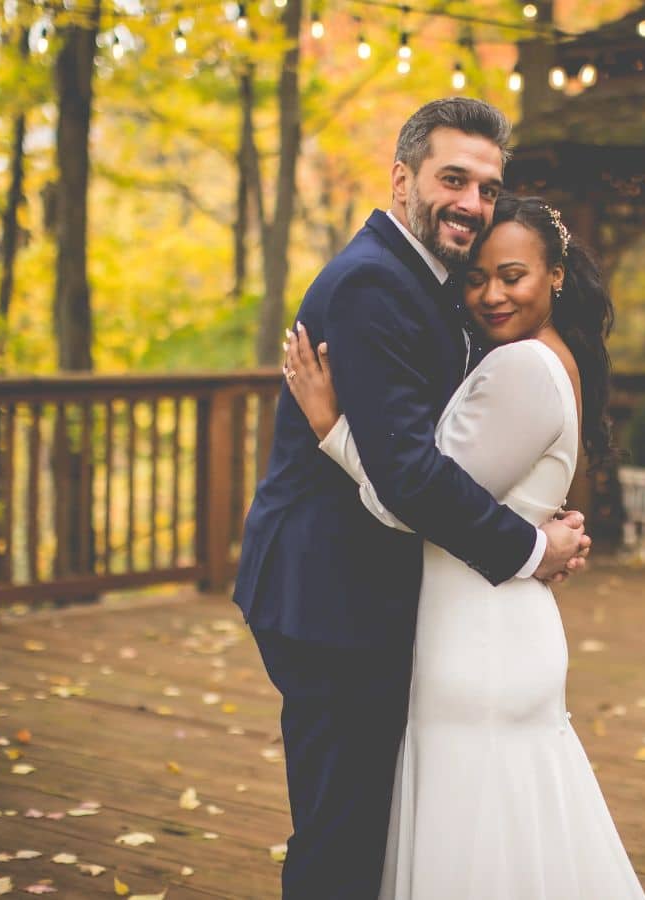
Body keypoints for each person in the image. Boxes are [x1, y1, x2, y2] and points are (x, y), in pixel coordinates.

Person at [231, 98, 591, 898]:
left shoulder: (428, 281)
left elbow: (455, 448)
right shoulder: (372, 285)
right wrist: (532, 549)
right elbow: (410, 479)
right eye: (452, 179)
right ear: (402, 178)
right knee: (341, 831)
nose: (471, 202)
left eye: (487, 187)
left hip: (369, 593)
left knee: (366, 825)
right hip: (328, 596)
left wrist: (532, 514)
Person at [283, 193, 645, 898]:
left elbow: (410, 498)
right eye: (475, 278)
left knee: (477, 842)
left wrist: (333, 428)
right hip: (490, 624)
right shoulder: (540, 358)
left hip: (481, 640)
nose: (491, 294)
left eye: (513, 276)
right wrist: (538, 544)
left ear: (557, 275)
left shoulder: (522, 369)